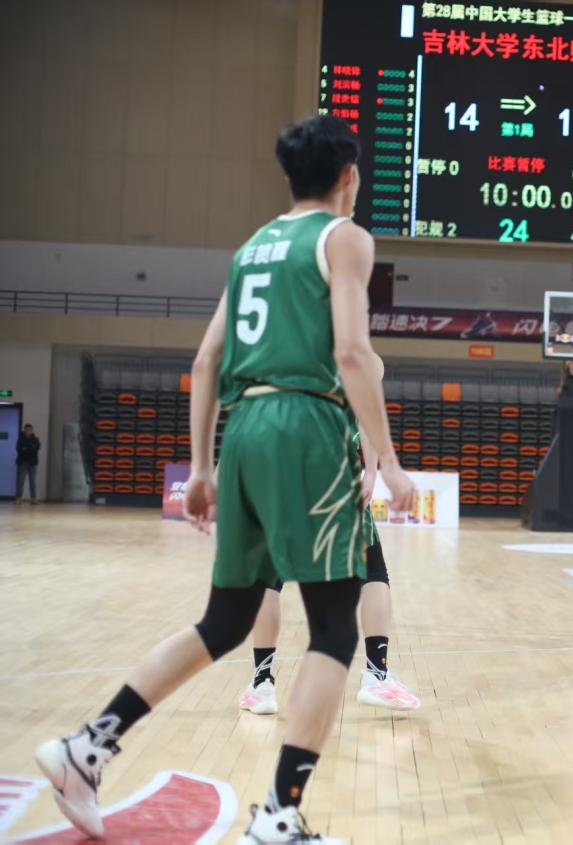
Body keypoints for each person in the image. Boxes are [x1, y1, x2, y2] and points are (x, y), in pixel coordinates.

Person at [34, 115, 415, 844]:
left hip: (243, 431)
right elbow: (351, 354)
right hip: (307, 427)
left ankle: (88, 745)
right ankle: (278, 815)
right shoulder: (344, 238)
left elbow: (205, 360)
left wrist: (203, 466)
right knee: (335, 626)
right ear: (349, 176)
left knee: (225, 621)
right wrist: (389, 461)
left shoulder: (252, 247)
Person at [239, 352, 422, 716]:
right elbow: (369, 413)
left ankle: (262, 685)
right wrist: (371, 472)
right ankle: (377, 675)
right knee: (372, 573)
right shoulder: (362, 361)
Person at [15, 423, 39, 503]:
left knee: (33, 481)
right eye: (26, 430)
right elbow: (19, 450)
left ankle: (33, 498)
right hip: (22, 463)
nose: (28, 431)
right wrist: (30, 448)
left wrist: (26, 449)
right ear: (24, 430)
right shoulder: (20, 440)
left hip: (33, 463)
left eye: (29, 430)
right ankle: (19, 498)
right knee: (20, 481)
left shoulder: (36, 440)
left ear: (32, 431)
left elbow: (36, 448)